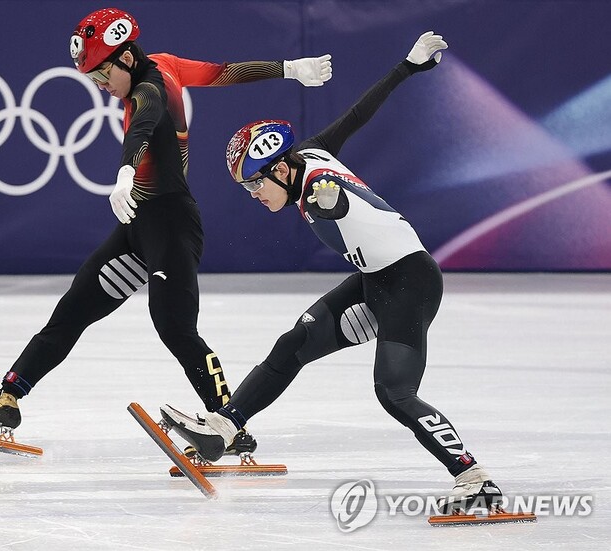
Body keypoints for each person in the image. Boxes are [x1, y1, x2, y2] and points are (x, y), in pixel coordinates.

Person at [0, 7, 332, 459]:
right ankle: (8, 396)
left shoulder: (149, 88)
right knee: (72, 311)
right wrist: (287, 69)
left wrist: (127, 169)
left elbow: (147, 122)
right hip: (139, 229)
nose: (100, 87)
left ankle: (230, 424)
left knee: (175, 329)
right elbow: (225, 73)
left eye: (101, 75)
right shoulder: (166, 64)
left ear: (126, 59)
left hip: (171, 227)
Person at [161, 32, 503, 513]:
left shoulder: (318, 181)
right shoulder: (315, 152)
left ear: (280, 170)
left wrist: (330, 204)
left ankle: (475, 478)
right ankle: (224, 427)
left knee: (395, 393)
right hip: (375, 282)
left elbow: (336, 201)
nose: (253, 194)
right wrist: (406, 65)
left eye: (255, 183)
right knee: (292, 344)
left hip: (411, 284)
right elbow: (359, 115)